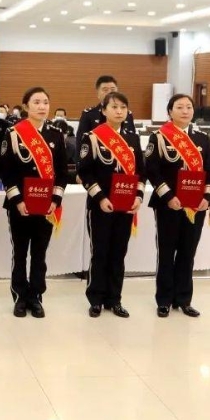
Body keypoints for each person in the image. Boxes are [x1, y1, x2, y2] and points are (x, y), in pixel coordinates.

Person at [145, 94, 210, 318]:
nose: (185, 111)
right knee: (167, 253)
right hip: (168, 205)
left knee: (188, 253)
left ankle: (184, 299)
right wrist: (168, 196)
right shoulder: (159, 137)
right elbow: (152, 170)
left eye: (189, 107)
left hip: (196, 207)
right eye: (179, 107)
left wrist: (207, 197)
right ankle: (164, 300)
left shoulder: (202, 139)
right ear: (170, 111)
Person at [1, 87, 68, 318]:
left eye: (45, 102)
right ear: (26, 106)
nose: (42, 107)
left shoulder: (56, 135)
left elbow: (62, 172)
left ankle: (36, 296)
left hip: (46, 206)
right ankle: (20, 297)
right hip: (19, 206)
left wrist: (55, 200)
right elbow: (7, 171)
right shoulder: (13, 133)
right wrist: (18, 200)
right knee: (20, 253)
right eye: (36, 102)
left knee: (40, 254)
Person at [77, 92, 145, 318]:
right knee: (100, 252)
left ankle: (114, 299)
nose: (119, 111)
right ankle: (95, 299)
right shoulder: (93, 137)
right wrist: (100, 197)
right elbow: (85, 172)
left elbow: (141, 172)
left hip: (126, 205)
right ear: (103, 110)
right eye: (114, 107)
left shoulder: (133, 139)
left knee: (118, 252)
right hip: (101, 205)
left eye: (123, 107)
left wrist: (138, 197)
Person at [77, 75, 136, 150]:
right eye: (105, 90)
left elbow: (132, 140)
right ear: (98, 94)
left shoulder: (127, 114)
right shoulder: (89, 114)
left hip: (123, 154)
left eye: (113, 89)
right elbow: (80, 143)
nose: (109, 92)